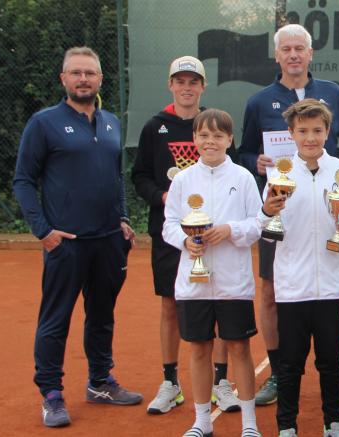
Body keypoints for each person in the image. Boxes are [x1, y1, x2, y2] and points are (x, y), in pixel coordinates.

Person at [13, 46, 141, 428]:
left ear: (100, 79)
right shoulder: (44, 123)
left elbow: (115, 178)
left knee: (102, 316)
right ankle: (51, 394)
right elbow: (23, 180)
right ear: (63, 79)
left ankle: (100, 381)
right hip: (65, 242)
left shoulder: (112, 123)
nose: (83, 79)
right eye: (76, 73)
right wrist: (43, 230)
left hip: (108, 241)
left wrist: (122, 217)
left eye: (90, 73)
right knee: (56, 319)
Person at [235, 23, 339, 405]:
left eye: (299, 48)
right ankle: (276, 369)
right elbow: (243, 151)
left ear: (309, 53)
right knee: (271, 293)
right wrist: (257, 161)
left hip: (325, 208)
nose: (293, 55)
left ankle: (334, 371)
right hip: (283, 214)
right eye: (286, 49)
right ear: (277, 55)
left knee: (329, 297)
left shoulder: (332, 92)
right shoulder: (259, 101)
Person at [132, 56, 238, 416]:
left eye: (194, 81)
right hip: (173, 233)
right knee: (169, 305)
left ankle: (221, 382)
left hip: (215, 237)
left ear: (202, 86)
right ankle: (170, 382)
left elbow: (233, 172)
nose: (187, 87)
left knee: (222, 304)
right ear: (171, 85)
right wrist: (163, 197)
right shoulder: (154, 128)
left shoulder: (215, 124)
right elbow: (140, 176)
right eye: (180, 81)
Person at [263, 99, 339, 437]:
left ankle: (333, 421)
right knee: (290, 363)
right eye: (303, 131)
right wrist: (268, 209)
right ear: (291, 133)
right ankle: (286, 426)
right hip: (292, 285)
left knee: (331, 360)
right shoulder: (280, 172)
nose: (310, 137)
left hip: (332, 284)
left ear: (327, 131)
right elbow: (269, 219)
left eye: (317, 130)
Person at [162, 109, 264, 437]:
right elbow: (169, 225)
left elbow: (257, 224)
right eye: (204, 135)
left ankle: (249, 423)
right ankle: (202, 421)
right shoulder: (182, 180)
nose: (210, 142)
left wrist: (229, 230)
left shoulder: (244, 178)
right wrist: (184, 242)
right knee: (199, 349)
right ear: (194, 139)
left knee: (239, 348)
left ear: (229, 140)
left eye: (218, 136)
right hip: (193, 282)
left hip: (233, 282)